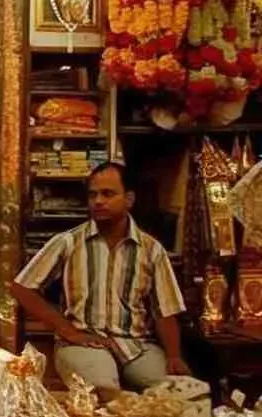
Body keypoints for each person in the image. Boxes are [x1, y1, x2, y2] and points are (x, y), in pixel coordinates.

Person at [12, 161, 189, 402]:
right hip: (85, 343)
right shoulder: (68, 242)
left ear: (129, 199)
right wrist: (67, 330)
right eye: (93, 194)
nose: (98, 201)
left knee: (178, 396)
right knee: (104, 392)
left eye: (108, 194)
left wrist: (174, 356)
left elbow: (165, 310)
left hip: (137, 346)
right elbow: (22, 288)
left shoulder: (151, 249)